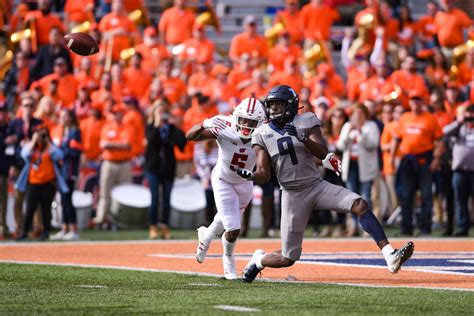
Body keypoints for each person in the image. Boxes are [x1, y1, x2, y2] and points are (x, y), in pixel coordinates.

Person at [237, 85, 414, 283]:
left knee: (359, 204)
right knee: (288, 258)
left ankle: (390, 256)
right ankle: (259, 260)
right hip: (292, 194)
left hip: (316, 186)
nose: (274, 110)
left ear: (290, 105)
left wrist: (302, 138)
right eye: (271, 106)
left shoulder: (306, 120)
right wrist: (251, 176)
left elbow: (322, 151)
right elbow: (264, 173)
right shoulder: (261, 133)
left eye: (278, 105)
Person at [186, 98, 266, 280]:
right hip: (223, 180)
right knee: (233, 227)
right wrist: (204, 123)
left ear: (260, 122)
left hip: (245, 182)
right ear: (236, 116)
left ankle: (205, 236)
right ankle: (228, 259)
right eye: (243, 120)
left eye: (252, 122)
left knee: (225, 218)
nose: (246, 125)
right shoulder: (225, 126)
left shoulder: (265, 134)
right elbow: (190, 136)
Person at [391, 90, 444, 236]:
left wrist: (436, 159)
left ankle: (425, 229)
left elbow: (439, 141)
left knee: (426, 196)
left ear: (422, 102)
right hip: (408, 161)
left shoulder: (430, 118)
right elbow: (396, 139)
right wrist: (393, 158)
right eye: (413, 100)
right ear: (409, 102)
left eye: (418, 100)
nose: (415, 103)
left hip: (425, 161)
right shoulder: (404, 118)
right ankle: (406, 229)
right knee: (407, 196)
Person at [16, 125, 68, 241]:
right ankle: (25, 231)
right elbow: (24, 155)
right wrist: (34, 141)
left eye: (43, 135)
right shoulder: (31, 147)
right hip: (33, 182)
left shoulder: (50, 148)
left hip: (48, 183)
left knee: (46, 208)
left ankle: (46, 231)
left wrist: (48, 143)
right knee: (30, 208)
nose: (41, 137)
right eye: (39, 135)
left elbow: (60, 155)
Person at [337, 104, 381, 237]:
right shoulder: (347, 126)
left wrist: (361, 131)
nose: (357, 115)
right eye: (355, 113)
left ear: (365, 114)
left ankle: (367, 228)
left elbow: (373, 144)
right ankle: (353, 226)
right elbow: (340, 146)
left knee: (366, 196)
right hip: (351, 165)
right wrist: (347, 135)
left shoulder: (371, 126)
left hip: (365, 167)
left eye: (360, 112)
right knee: (352, 198)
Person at [144, 103, 186, 240]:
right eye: (159, 112)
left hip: (168, 168)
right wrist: (157, 124)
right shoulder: (150, 127)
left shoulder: (172, 129)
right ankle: (153, 226)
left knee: (167, 198)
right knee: (155, 197)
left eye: (164, 112)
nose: (162, 115)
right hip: (153, 167)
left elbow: (182, 144)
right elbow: (152, 139)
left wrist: (175, 125)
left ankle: (165, 225)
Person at [50, 109, 82, 241]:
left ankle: (74, 229)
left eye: (65, 116)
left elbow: (75, 152)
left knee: (68, 199)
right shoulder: (63, 131)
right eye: (61, 116)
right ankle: (64, 228)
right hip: (62, 171)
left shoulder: (75, 132)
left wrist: (60, 150)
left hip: (69, 170)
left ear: (71, 118)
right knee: (63, 200)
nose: (62, 118)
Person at [443, 105, 474, 236]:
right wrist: (459, 121)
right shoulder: (459, 127)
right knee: (460, 201)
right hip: (460, 171)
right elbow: (444, 131)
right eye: (469, 115)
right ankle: (462, 228)